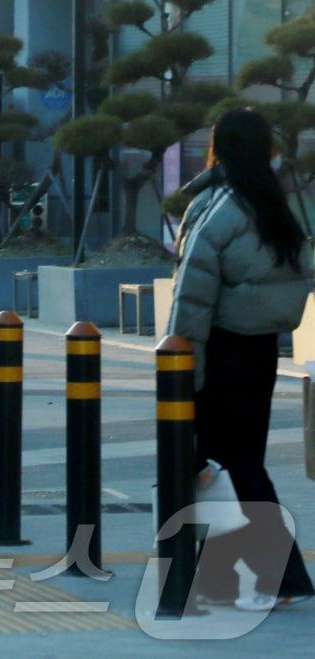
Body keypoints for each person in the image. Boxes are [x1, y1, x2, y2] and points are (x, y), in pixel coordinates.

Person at [168, 108, 315, 611]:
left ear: (220, 148)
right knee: (228, 464)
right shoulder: (278, 201)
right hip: (260, 351)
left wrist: (181, 367)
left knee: (230, 464)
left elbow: (192, 296)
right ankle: (219, 579)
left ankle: (283, 575)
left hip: (220, 349)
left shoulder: (221, 206)